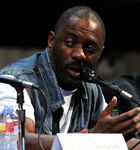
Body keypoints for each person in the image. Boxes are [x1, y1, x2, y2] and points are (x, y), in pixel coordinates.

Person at [0, 5, 140, 150]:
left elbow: (118, 142)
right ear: (51, 40)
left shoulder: (92, 90)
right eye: (69, 43)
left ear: (100, 53)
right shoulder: (14, 82)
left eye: (90, 49)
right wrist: (92, 138)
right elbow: (17, 141)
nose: (79, 54)